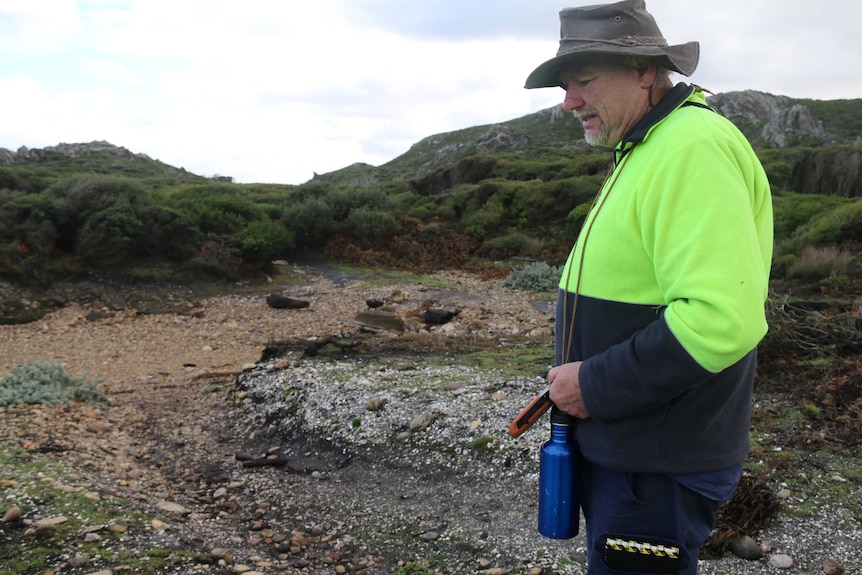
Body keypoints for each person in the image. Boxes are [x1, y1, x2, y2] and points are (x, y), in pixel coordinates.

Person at [524, 1, 773, 573]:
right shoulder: (647, 146)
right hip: (637, 455)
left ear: (644, 71)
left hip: (656, 465)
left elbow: (719, 318)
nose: (569, 102)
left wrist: (594, 383)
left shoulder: (691, 147)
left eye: (584, 81)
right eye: (565, 86)